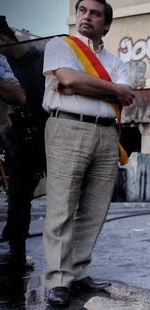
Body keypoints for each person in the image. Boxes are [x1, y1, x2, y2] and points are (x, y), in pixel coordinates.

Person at [41, 0, 135, 307]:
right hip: (68, 127)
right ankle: (57, 278)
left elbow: (126, 94)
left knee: (95, 209)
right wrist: (108, 89)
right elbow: (68, 79)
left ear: (105, 25)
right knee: (62, 207)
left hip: (107, 133)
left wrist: (84, 86)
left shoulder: (114, 59)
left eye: (95, 14)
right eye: (82, 11)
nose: (86, 17)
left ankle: (78, 273)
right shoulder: (61, 45)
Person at [0, 15, 47, 272]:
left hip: (48, 135)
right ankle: (16, 253)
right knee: (18, 197)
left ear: (3, 39)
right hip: (16, 140)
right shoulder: (4, 65)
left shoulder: (41, 57)